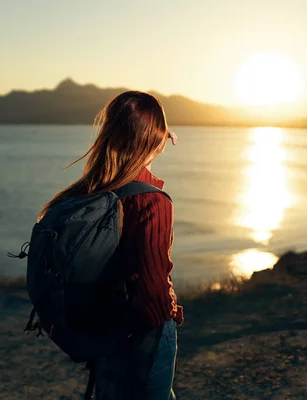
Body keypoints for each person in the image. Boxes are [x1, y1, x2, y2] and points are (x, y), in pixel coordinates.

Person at [39, 91, 183, 399]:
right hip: (143, 332)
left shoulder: (87, 192)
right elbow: (152, 289)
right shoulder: (152, 202)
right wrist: (169, 313)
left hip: (102, 326)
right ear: (153, 140)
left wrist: (151, 136)